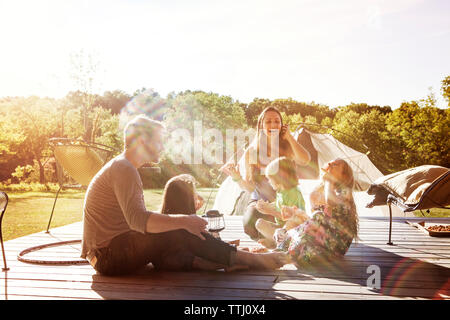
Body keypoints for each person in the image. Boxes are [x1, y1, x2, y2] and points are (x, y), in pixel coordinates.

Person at [81, 115, 288, 276]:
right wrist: (185, 221)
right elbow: (138, 221)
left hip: (108, 254)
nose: (163, 147)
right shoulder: (124, 168)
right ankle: (246, 259)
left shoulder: (123, 166)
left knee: (175, 230)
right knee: (179, 228)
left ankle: (219, 261)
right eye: (159, 141)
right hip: (108, 256)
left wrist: (183, 221)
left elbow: (137, 219)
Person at [220, 107, 310, 241]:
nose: (273, 125)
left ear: (281, 125)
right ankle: (279, 239)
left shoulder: (287, 147)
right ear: (261, 125)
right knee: (249, 225)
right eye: (268, 121)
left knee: (282, 219)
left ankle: (278, 239)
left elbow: (305, 160)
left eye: (277, 121)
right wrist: (236, 177)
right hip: (260, 200)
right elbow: (250, 187)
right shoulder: (252, 152)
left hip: (285, 199)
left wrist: (290, 137)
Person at [274, 158, 359, 267]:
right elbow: (311, 223)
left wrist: (329, 180)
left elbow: (330, 203)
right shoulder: (320, 191)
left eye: (336, 164)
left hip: (337, 245)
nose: (330, 164)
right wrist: (291, 222)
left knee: (318, 216)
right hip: (322, 243)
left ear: (344, 175)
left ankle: (285, 253)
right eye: (330, 163)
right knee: (289, 228)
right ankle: (281, 249)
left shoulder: (345, 190)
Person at [254, 157, 309, 249]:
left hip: (295, 228)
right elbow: (280, 205)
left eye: (270, 178)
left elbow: (290, 218)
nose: (269, 181)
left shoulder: (293, 193)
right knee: (259, 223)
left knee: (289, 224)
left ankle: (281, 243)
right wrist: (267, 206)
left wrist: (270, 212)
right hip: (281, 228)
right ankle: (276, 241)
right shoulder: (281, 191)